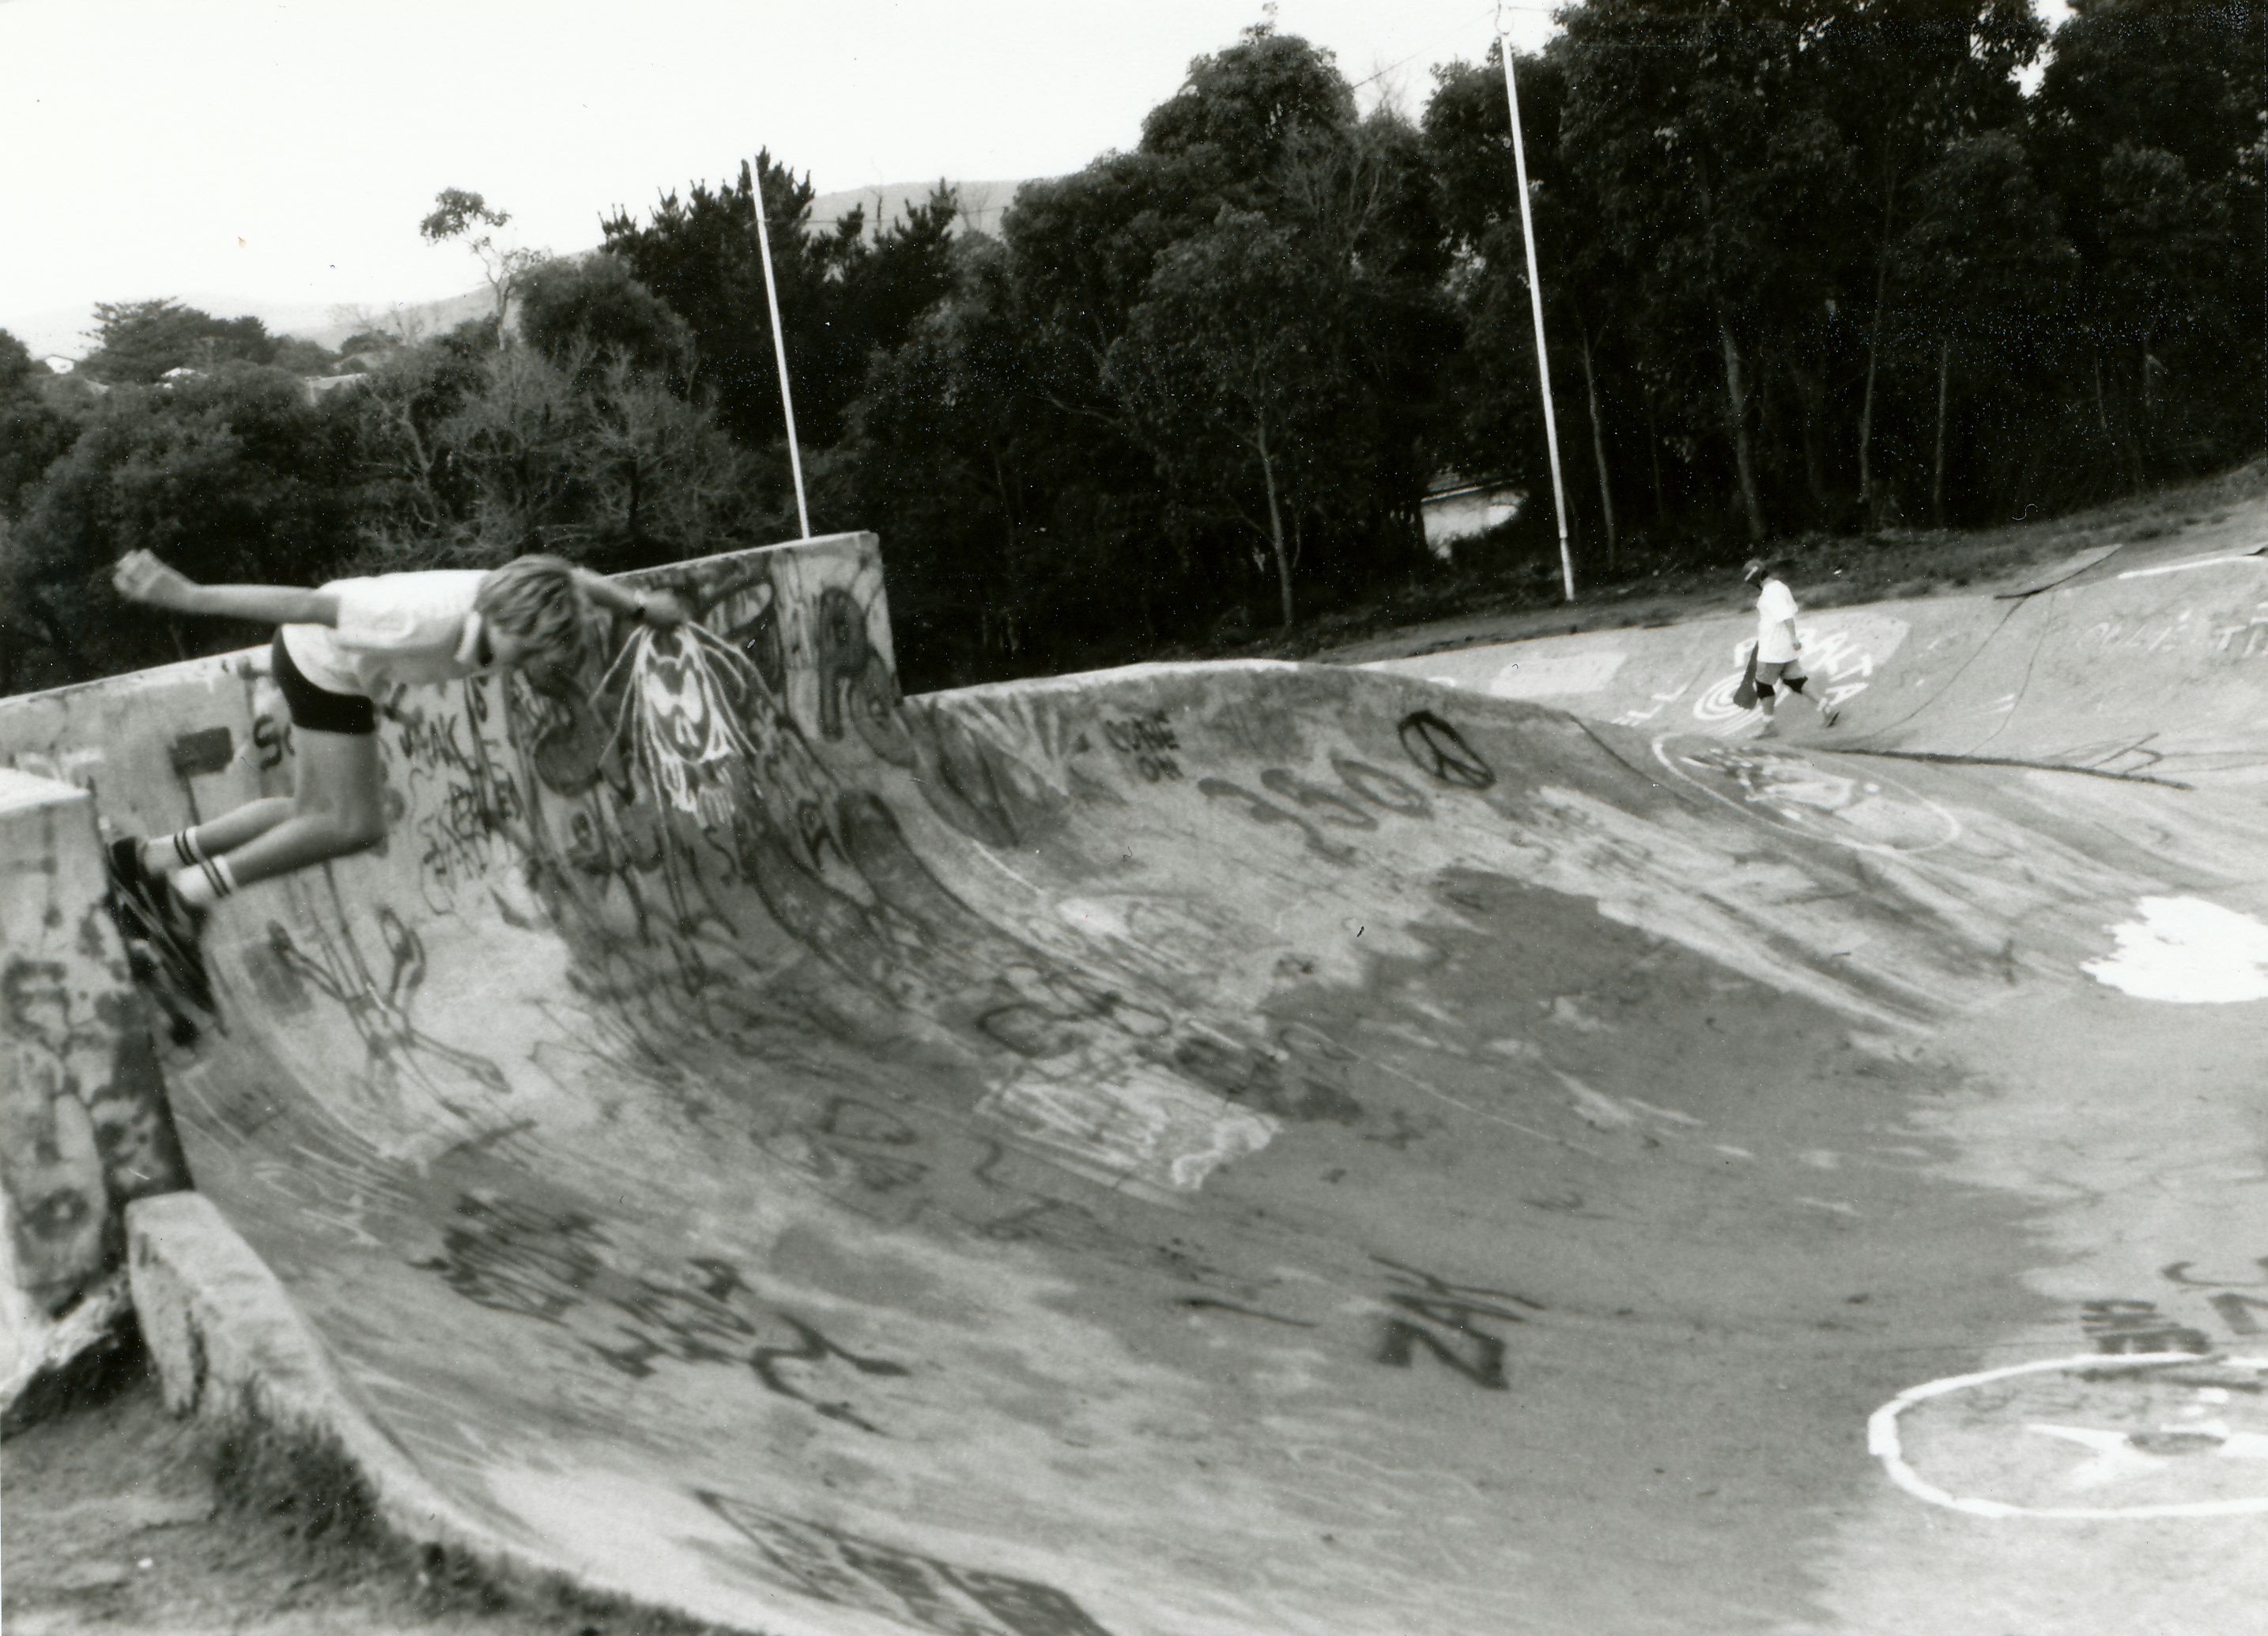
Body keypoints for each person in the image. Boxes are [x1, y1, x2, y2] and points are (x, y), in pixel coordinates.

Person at [104, 549, 687, 1006]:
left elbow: (575, 579)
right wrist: (191, 595)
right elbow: (307, 605)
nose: (521, 661)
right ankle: (184, 895)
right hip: (320, 662)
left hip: (341, 668)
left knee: (311, 815)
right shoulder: (418, 616)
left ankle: (145, 859)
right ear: (505, 617)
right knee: (352, 824)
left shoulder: (527, 593)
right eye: (523, 648)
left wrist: (639, 608)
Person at [1742, 557, 1837, 739]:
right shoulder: (1781, 587)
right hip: (1785, 647)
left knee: (1763, 684)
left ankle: (1769, 726)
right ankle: (1826, 706)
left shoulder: (1770, 593)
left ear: (1754, 581)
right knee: (1794, 680)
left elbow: (1786, 615)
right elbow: (1791, 610)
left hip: (1773, 647)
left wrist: (1793, 637)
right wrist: (1792, 639)